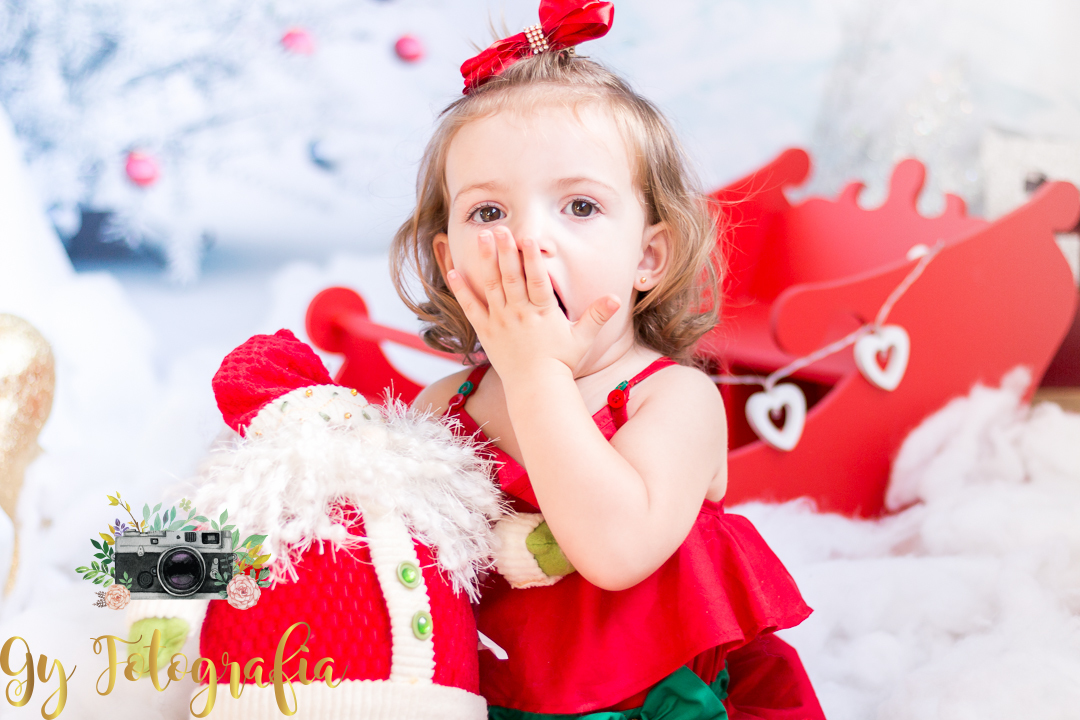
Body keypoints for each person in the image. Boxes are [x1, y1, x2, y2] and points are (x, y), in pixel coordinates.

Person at [392, 3, 824, 717]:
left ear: (648, 255)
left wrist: (537, 375)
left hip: (653, 702)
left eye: (580, 207)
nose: (530, 240)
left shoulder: (674, 399)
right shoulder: (443, 406)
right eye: (488, 214)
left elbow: (617, 551)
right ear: (450, 260)